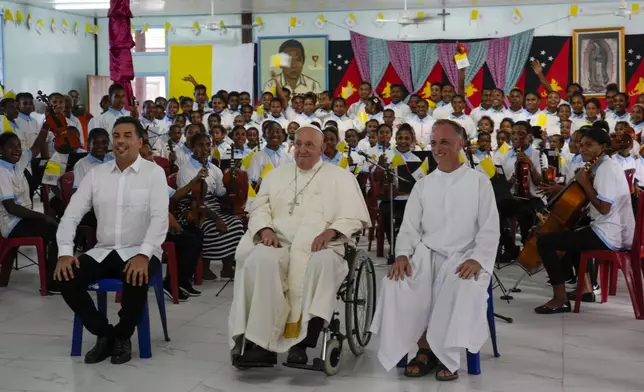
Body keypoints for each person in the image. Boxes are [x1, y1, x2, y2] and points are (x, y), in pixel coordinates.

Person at [228, 124, 370, 367]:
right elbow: (259, 207)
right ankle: (261, 344)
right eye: (299, 144)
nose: (302, 150)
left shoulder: (341, 178)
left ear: (323, 147)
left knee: (321, 264)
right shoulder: (276, 175)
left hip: (322, 245)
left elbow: (354, 216)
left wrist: (332, 231)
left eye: (310, 145)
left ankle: (303, 343)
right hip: (279, 242)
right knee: (262, 260)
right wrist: (265, 229)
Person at [370, 119, 500, 381]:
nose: (438, 148)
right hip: (426, 255)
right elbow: (409, 228)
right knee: (396, 283)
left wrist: (477, 258)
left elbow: (489, 228)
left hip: (465, 255)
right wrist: (403, 255)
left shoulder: (479, 182)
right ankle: (424, 348)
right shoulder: (423, 185)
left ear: (461, 144)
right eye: (434, 143)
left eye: (445, 142)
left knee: (461, 286)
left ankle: (447, 354)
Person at [54, 117, 169, 365]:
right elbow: (71, 215)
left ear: (140, 141)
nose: (121, 141)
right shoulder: (97, 174)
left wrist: (144, 254)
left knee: (136, 275)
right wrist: (64, 251)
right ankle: (106, 334)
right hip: (103, 251)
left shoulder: (154, 173)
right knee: (66, 277)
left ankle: (124, 334)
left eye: (128, 135)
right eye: (117, 135)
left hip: (140, 250)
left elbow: (160, 219)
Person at [535, 127, 635, 313]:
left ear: (603, 146)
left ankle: (560, 299)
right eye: (581, 145)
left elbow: (604, 208)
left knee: (545, 242)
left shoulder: (606, 168)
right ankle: (586, 289)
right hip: (613, 230)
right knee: (572, 234)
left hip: (609, 234)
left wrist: (585, 183)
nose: (583, 149)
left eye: (589, 145)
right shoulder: (604, 165)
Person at [177, 132, 244, 280]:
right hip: (192, 208)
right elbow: (190, 199)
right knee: (209, 227)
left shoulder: (215, 169)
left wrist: (233, 185)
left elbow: (220, 194)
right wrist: (215, 218)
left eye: (208, 145)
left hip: (212, 204)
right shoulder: (185, 170)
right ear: (192, 148)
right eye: (200, 145)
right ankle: (205, 267)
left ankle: (227, 267)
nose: (205, 148)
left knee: (236, 224)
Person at [0, 132, 60, 294]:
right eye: (11, 146)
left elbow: (35, 148)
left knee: (56, 228)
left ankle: (55, 273)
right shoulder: (2, 171)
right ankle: (52, 282)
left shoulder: (16, 166)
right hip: (11, 222)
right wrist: (42, 216)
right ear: (1, 150)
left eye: (19, 145)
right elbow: (11, 207)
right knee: (55, 230)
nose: (17, 149)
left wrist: (46, 127)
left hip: (22, 218)